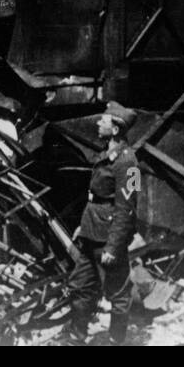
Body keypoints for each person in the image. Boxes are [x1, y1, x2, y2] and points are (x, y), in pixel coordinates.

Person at [64, 102, 141, 344]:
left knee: (118, 294)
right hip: (91, 232)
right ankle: (77, 337)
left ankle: (116, 340)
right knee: (79, 285)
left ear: (116, 129)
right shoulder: (106, 153)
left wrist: (114, 246)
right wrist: (83, 226)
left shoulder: (129, 163)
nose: (98, 123)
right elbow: (96, 197)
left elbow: (127, 209)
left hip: (108, 237)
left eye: (103, 121)